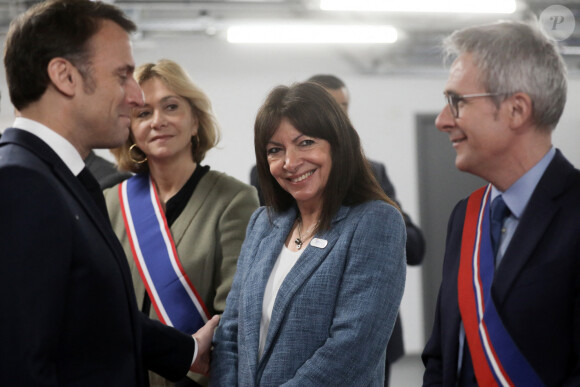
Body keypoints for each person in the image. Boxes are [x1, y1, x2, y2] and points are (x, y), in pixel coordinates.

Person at [0, 1, 219, 385]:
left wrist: (186, 350)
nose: (136, 97)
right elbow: (20, 362)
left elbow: (88, 315)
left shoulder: (60, 178)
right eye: (122, 76)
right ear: (65, 77)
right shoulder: (21, 183)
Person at [211, 81, 407, 386]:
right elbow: (230, 333)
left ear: (337, 144)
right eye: (275, 150)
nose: (290, 163)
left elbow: (351, 349)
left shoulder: (375, 222)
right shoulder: (263, 223)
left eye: (305, 143)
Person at [422, 20, 580, 386]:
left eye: (456, 101)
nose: (442, 120)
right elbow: (441, 354)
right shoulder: (466, 216)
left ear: (516, 110)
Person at [104, 59, 259, 386]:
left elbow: (234, 315)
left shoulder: (234, 199)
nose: (157, 121)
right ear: (131, 129)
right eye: (143, 113)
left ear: (195, 122)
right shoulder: (110, 202)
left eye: (171, 107)